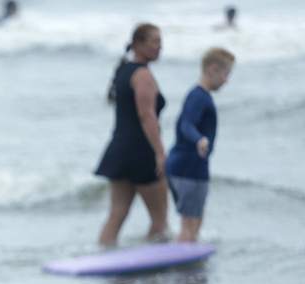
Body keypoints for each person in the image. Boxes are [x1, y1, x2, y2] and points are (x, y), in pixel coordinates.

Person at [95, 23, 169, 246]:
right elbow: (146, 115)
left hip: (118, 151)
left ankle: (103, 263)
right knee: (160, 219)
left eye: (160, 41)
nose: (160, 46)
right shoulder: (142, 74)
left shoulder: (123, 71)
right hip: (141, 152)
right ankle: (155, 272)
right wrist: (159, 153)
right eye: (155, 41)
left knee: (116, 215)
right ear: (138, 44)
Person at [165, 47, 235, 242]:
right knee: (190, 227)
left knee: (191, 222)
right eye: (226, 75)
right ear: (214, 70)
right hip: (190, 167)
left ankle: (188, 270)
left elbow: (184, 122)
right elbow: (186, 123)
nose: (226, 81)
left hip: (180, 165)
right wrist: (199, 139)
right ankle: (185, 271)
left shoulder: (195, 94)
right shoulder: (200, 97)